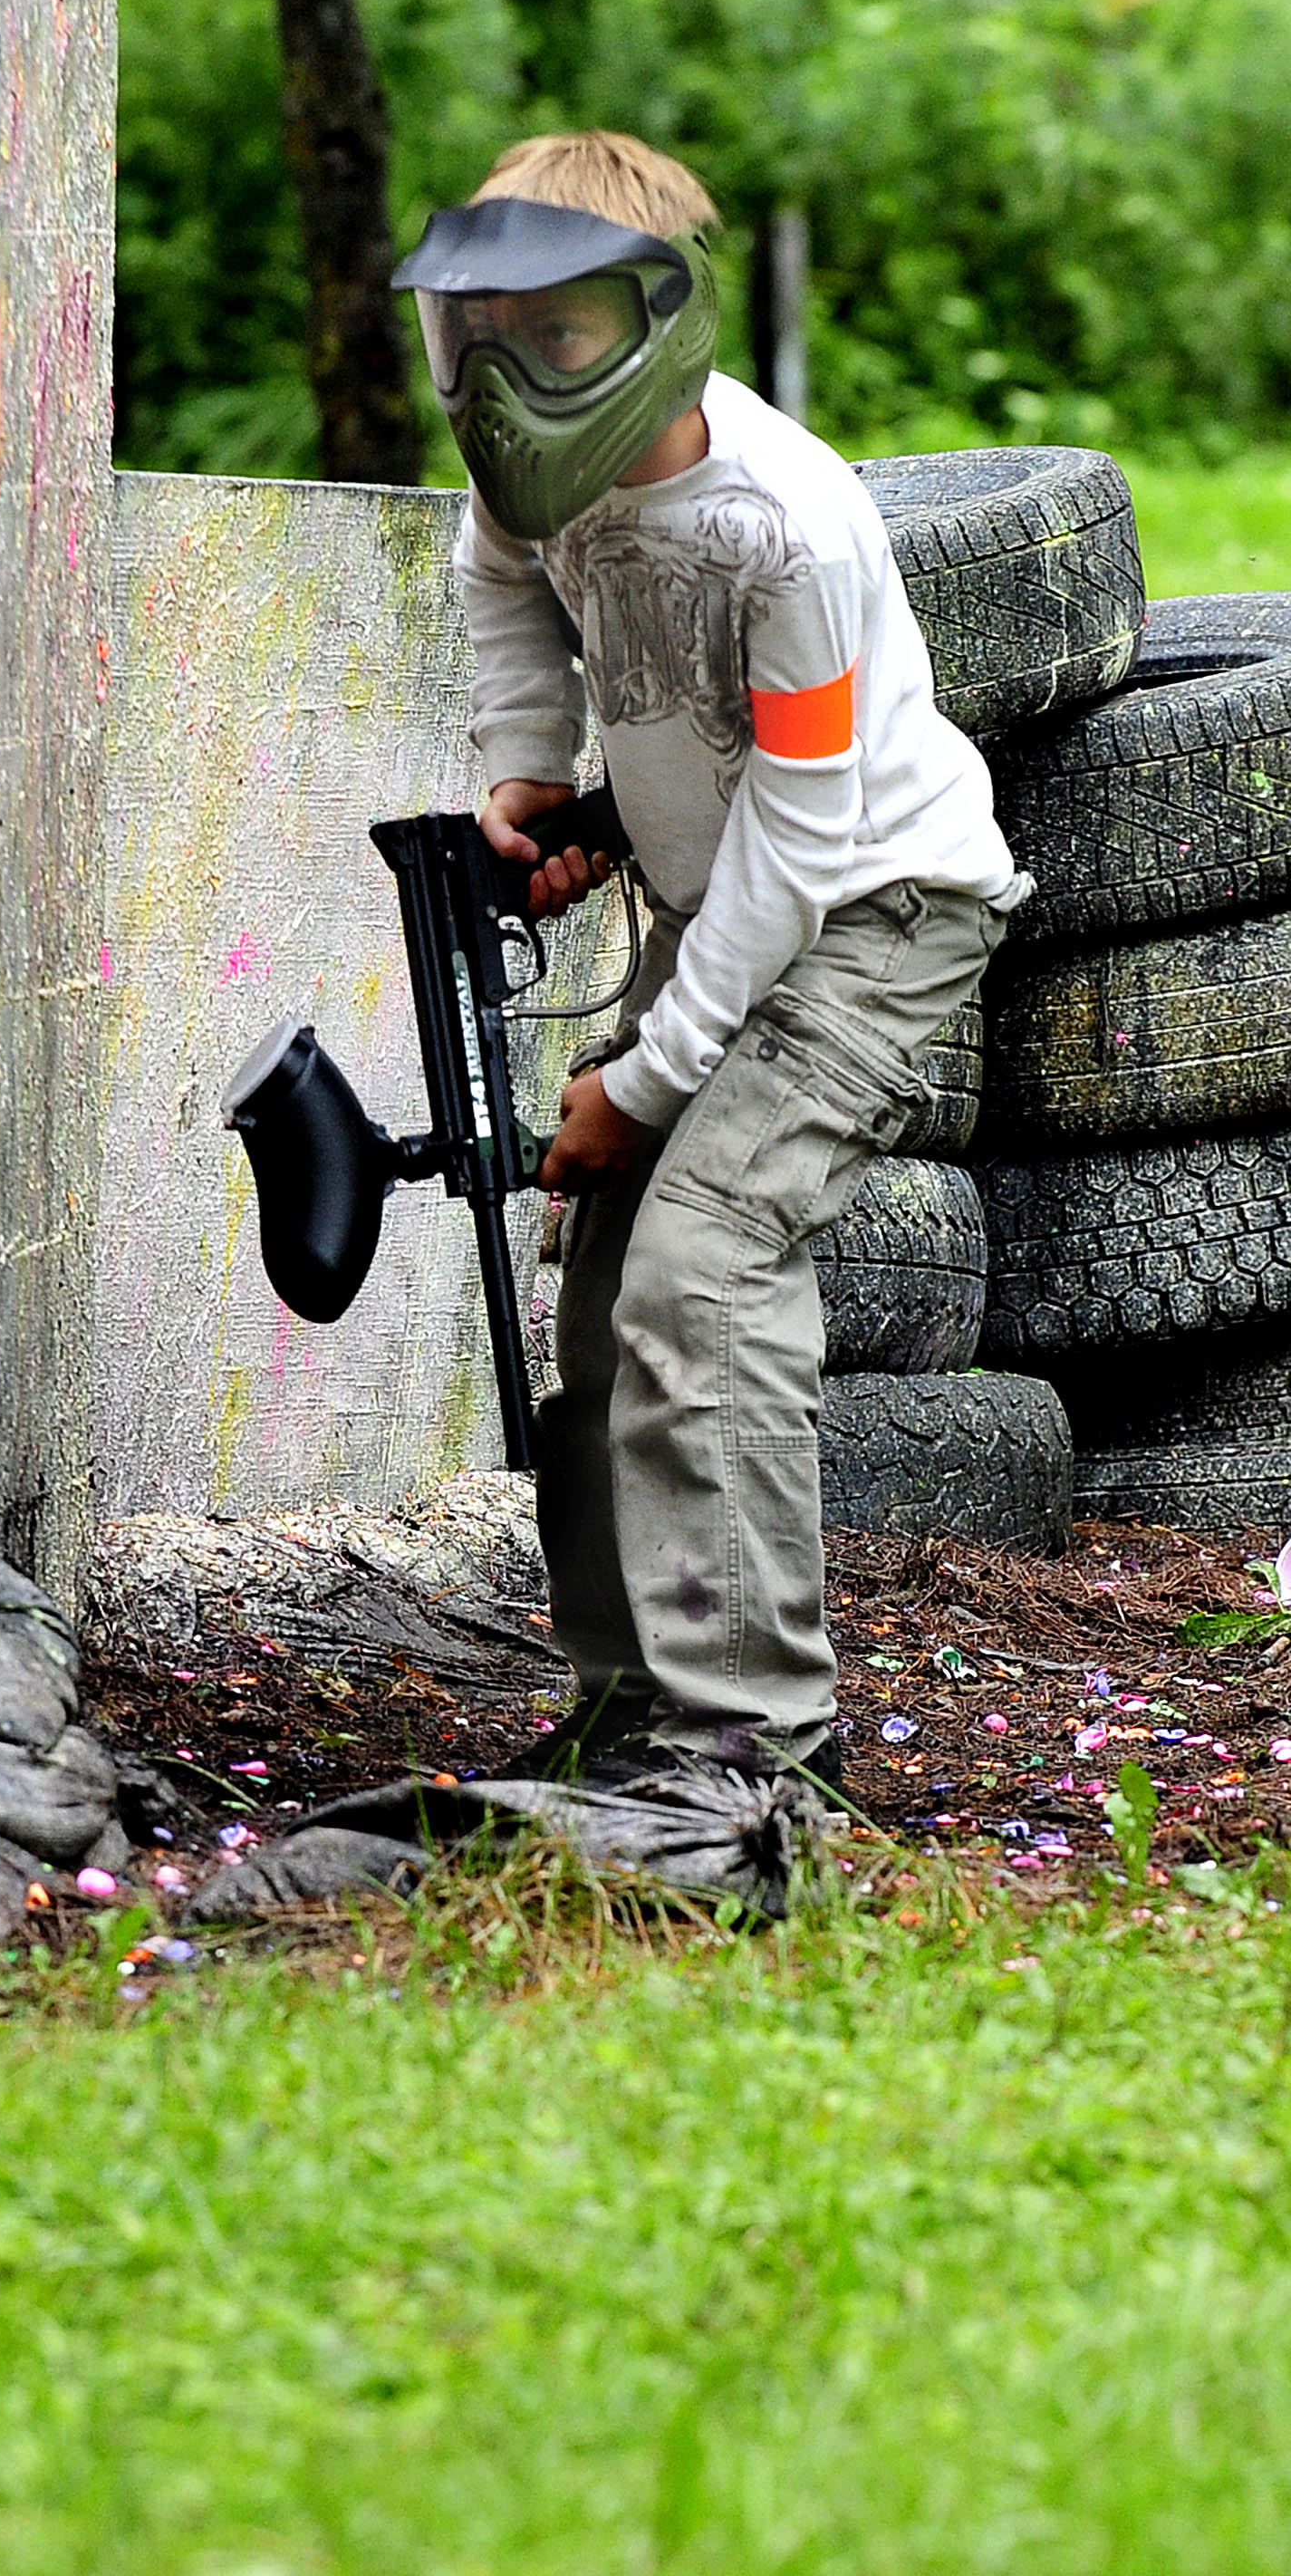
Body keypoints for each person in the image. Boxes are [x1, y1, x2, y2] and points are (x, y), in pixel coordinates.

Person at [392, 130, 1025, 1790]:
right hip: (720, 911)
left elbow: (810, 845)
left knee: (707, 1269)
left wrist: (648, 1077)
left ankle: (751, 1752)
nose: (511, 375)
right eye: (484, 335)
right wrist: (539, 773)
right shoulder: (540, 481)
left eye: (562, 334)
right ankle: (635, 1721)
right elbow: (504, 580)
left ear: (660, 321)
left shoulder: (787, 526)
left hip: (878, 919)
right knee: (603, 1313)